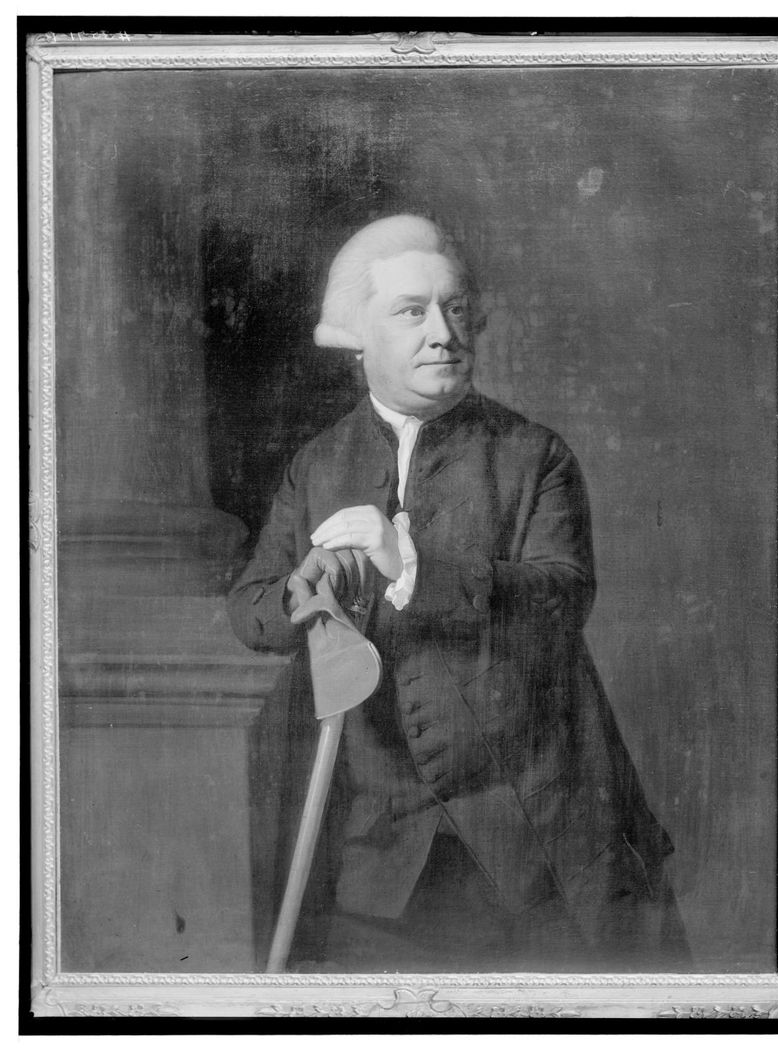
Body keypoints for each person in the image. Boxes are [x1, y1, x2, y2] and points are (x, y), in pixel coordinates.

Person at [228, 215, 689, 972]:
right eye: (412, 312)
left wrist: (409, 564)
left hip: (536, 841)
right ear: (357, 336)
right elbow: (251, 608)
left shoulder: (534, 455)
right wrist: (304, 590)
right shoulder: (317, 465)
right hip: (377, 856)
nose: (443, 333)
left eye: (456, 310)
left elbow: (563, 597)